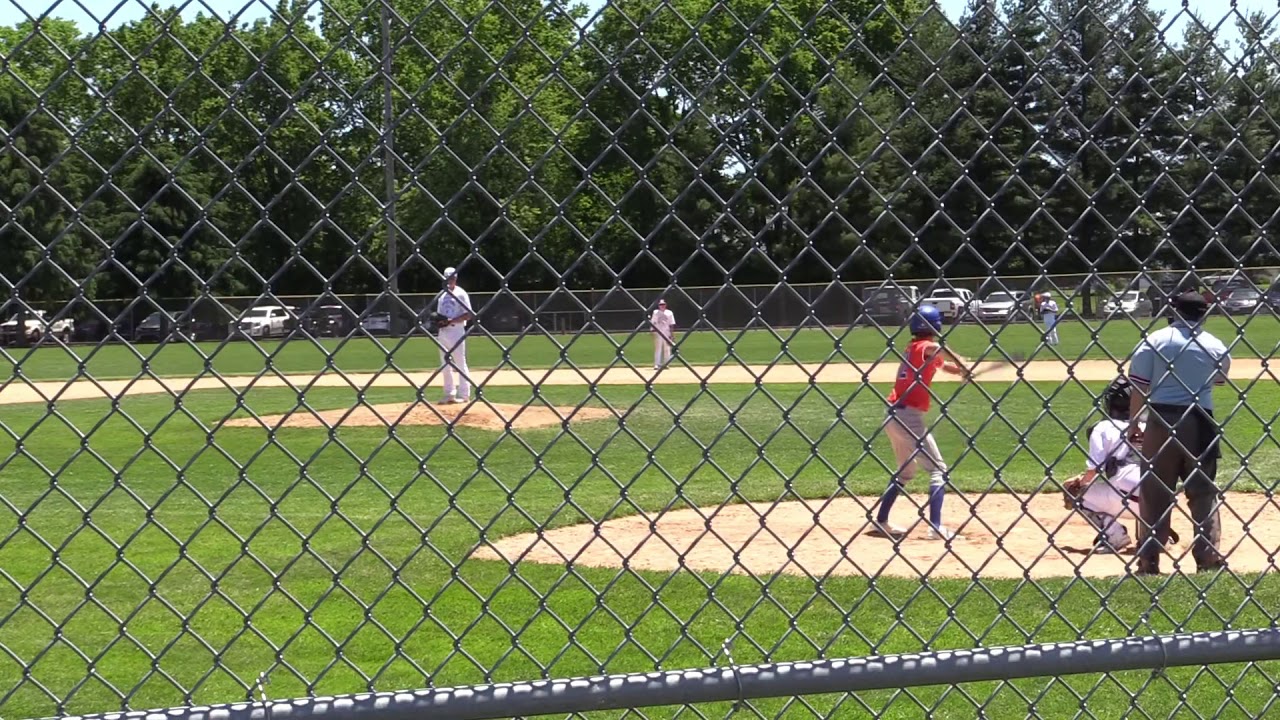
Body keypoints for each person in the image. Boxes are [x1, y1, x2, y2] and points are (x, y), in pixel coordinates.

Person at [1128, 291, 1231, 575]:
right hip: (1200, 420)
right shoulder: (1215, 345)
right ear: (1203, 314)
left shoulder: (1156, 340)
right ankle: (1207, 557)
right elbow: (1218, 381)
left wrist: (1133, 423)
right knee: (1203, 491)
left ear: (1174, 311)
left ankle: (1149, 559)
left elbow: (1139, 386)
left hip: (1161, 418)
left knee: (1154, 490)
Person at [867, 305, 973, 542]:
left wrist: (963, 372)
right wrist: (965, 364)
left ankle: (881, 521)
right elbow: (938, 349)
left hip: (893, 415)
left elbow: (943, 365)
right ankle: (935, 527)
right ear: (936, 325)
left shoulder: (914, 349)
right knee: (938, 470)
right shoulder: (926, 347)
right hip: (908, 418)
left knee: (905, 472)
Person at [1070, 377, 1147, 553]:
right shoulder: (1154, 424)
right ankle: (1153, 536)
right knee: (1145, 481)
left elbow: (1094, 470)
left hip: (1129, 497)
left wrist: (1078, 484)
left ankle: (1114, 535)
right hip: (1162, 501)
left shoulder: (1104, 427)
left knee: (1075, 492)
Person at [435, 266, 474, 404]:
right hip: (443, 332)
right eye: (447, 278)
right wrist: (439, 321)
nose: (449, 281)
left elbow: (468, 314)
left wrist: (452, 320)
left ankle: (464, 395)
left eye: (451, 278)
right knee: (445, 364)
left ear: (455, 278)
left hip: (456, 330)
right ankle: (449, 393)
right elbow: (439, 314)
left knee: (460, 362)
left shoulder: (461, 294)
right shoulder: (441, 295)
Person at [650, 298, 676, 369]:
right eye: (660, 304)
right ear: (658, 305)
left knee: (667, 349)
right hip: (658, 332)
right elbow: (653, 322)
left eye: (663, 304)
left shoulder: (669, 313)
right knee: (658, 348)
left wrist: (672, 334)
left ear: (665, 305)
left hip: (666, 332)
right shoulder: (655, 312)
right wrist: (652, 331)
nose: (662, 306)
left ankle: (666, 363)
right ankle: (656, 364)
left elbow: (671, 324)